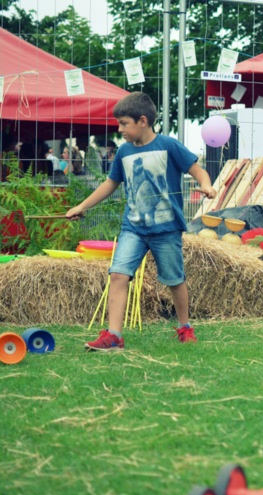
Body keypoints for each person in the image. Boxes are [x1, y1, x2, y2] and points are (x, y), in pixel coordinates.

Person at [66, 92, 216, 350]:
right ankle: (114, 336)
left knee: (174, 280)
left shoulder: (169, 146)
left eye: (124, 123)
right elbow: (111, 183)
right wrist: (82, 206)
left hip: (166, 229)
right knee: (118, 274)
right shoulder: (123, 152)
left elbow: (198, 170)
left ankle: (184, 327)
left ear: (143, 121)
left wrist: (207, 185)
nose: (120, 129)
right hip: (133, 228)